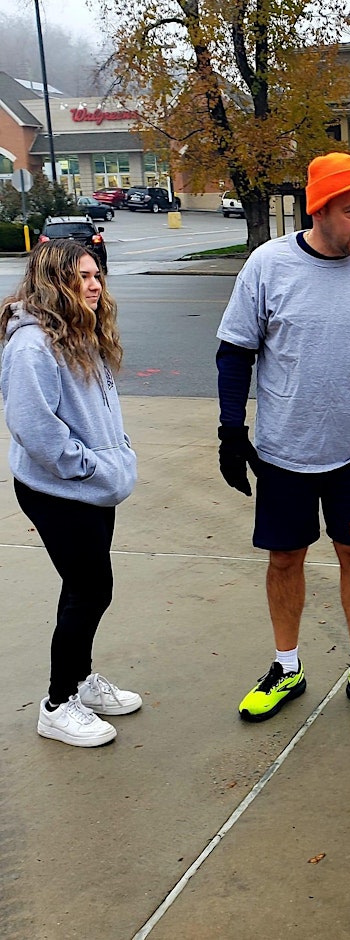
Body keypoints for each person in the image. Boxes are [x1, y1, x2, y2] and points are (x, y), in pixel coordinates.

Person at [216, 152, 350, 724]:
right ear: (320, 209)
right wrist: (232, 431)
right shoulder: (267, 266)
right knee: (285, 557)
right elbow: (235, 353)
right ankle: (286, 666)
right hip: (284, 451)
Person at [1, 240, 140, 748]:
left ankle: (80, 683)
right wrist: (92, 466)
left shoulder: (80, 331)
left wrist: (114, 457)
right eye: (81, 277)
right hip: (60, 490)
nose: (95, 284)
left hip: (92, 486)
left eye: (96, 274)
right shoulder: (32, 345)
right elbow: (34, 428)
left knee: (86, 588)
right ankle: (58, 704)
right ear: (52, 282)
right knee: (90, 589)